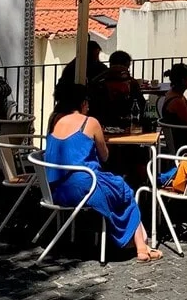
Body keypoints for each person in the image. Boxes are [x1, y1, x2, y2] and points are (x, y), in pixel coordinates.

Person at [44, 83, 162, 262]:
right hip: (84, 188)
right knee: (124, 189)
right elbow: (105, 156)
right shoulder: (90, 122)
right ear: (83, 103)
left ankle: (141, 246)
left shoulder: (55, 120)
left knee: (116, 189)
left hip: (55, 189)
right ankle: (141, 247)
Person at [89, 50, 145, 133]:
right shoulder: (132, 83)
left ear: (110, 63)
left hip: (102, 126)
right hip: (128, 126)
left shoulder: (98, 82)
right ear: (127, 65)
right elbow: (141, 105)